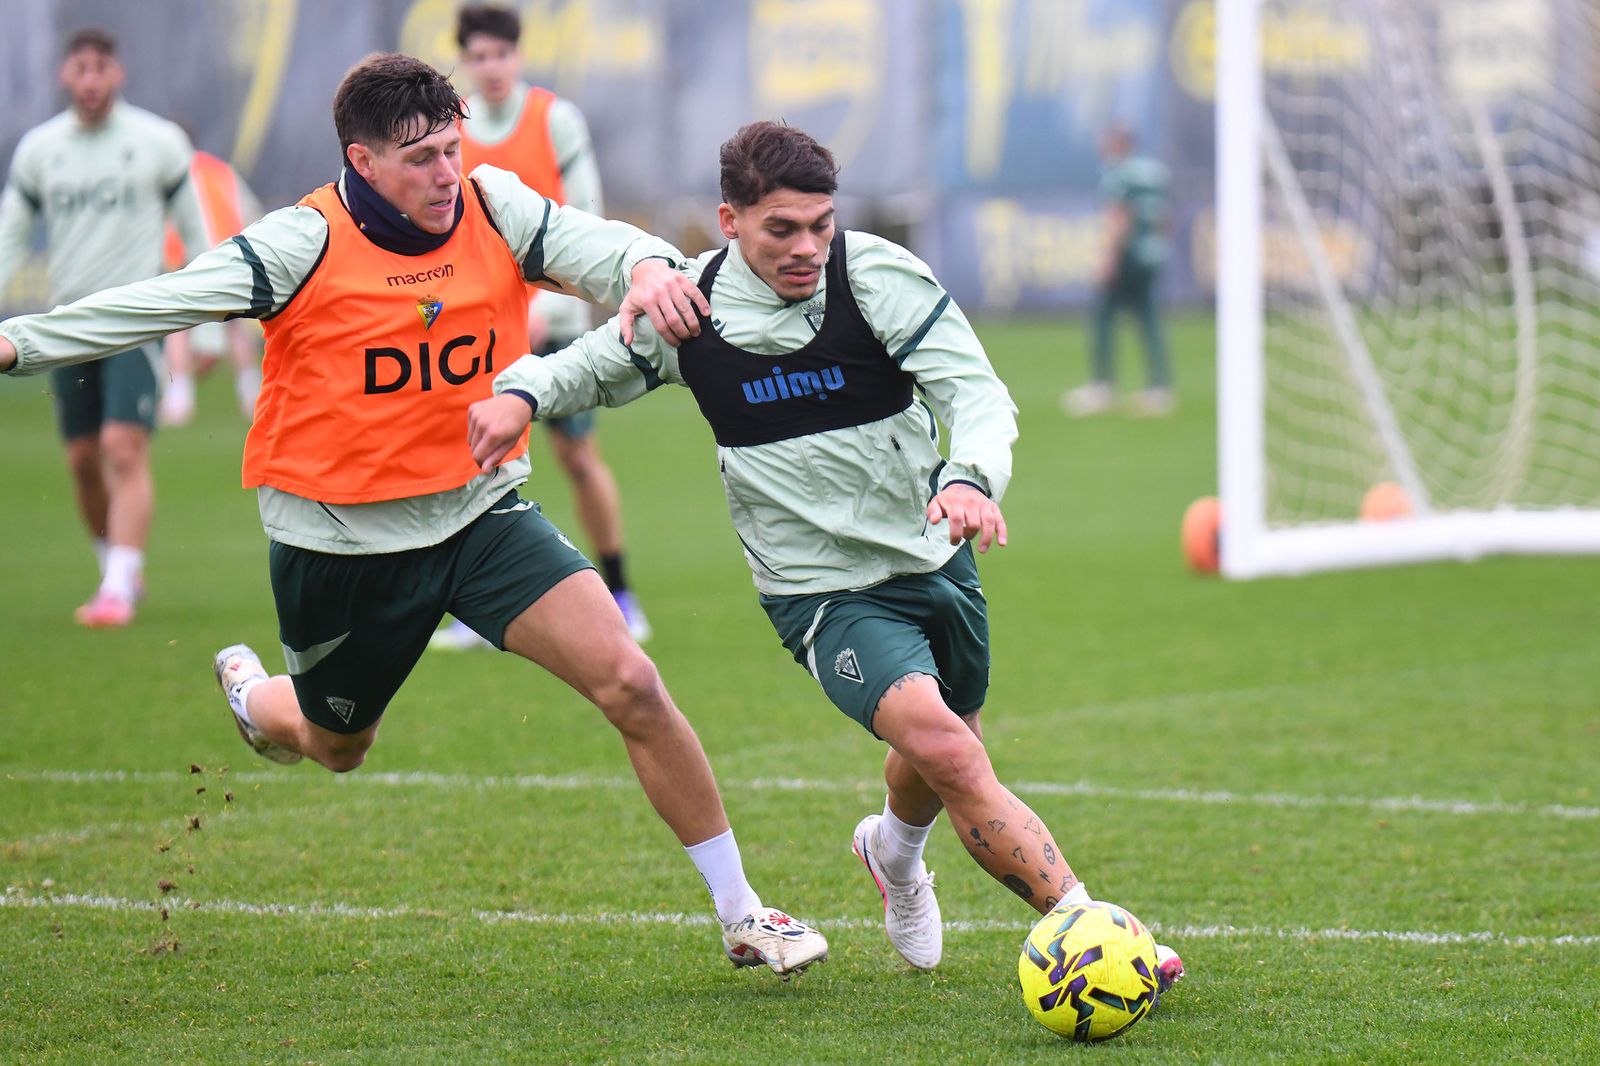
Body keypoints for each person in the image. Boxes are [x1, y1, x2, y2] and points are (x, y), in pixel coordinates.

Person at [0, 55, 827, 979]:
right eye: (420, 158)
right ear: (361, 160)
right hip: (341, 546)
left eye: (451, 147)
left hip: (481, 518)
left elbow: (597, 244)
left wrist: (648, 269)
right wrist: (17, 342)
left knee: (630, 682)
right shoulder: (298, 244)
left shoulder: (493, 204)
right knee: (336, 746)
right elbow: (163, 301)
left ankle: (746, 914)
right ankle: (255, 698)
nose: (445, 174)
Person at [468, 120, 1186, 989]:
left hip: (932, 556)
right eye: (782, 229)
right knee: (951, 751)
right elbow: (585, 366)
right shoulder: (687, 310)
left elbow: (978, 395)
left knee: (944, 743)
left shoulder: (877, 276)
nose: (808, 247)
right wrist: (520, 392)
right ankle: (1095, 934)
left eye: (822, 224)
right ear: (729, 220)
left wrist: (970, 479)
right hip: (819, 592)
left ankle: (894, 853)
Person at [429, 3, 649, 651]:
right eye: (480, 56)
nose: (492, 67)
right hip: (480, 327)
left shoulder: (555, 119)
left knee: (578, 457)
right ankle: (475, 603)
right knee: (476, 461)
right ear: (465, 60)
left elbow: (585, 217)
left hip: (549, 323)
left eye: (502, 54)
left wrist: (558, 307)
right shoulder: (455, 127)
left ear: (518, 57)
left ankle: (621, 591)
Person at [0, 26, 208, 627]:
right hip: (66, 325)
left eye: (101, 69)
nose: (90, 81)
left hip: (136, 320)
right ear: (66, 76)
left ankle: (116, 586)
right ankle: (116, 566)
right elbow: (13, 236)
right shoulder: (41, 150)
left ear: (117, 75)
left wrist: (214, 329)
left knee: (123, 447)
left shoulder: (157, 141)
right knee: (83, 459)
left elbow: (196, 231)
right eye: (80, 69)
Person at [1062, 125, 1173, 418]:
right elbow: (1164, 216)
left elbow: (1119, 217)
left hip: (1127, 255)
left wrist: (1107, 260)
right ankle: (1159, 388)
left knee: (1103, 315)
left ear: (1118, 144)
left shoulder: (1117, 174)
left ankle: (1102, 386)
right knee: (1148, 318)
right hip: (1151, 252)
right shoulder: (1154, 172)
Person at [158, 147, 267, 425]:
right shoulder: (220, 169)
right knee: (235, 324)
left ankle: (179, 399)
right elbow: (249, 210)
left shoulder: (168, 169)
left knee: (178, 326)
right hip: (226, 252)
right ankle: (251, 394)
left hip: (182, 255)